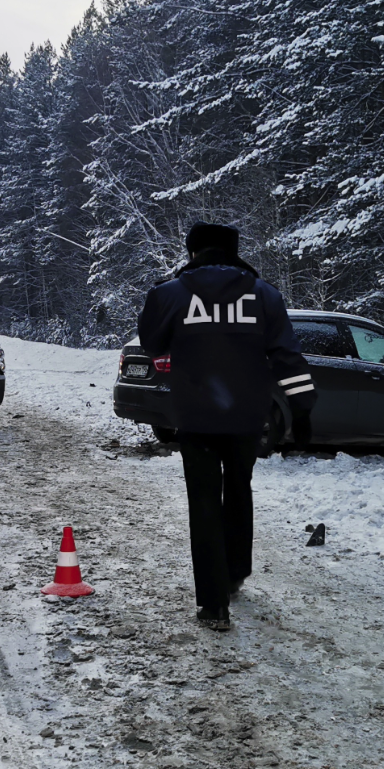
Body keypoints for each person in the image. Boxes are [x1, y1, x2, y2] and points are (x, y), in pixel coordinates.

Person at [137, 222, 317, 631]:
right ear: (234, 252)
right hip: (245, 418)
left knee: (204, 503)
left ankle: (213, 605)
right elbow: (287, 356)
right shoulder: (265, 295)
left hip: (196, 418)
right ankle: (235, 573)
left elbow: (151, 344)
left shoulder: (171, 294)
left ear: (192, 251)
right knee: (238, 491)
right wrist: (303, 408)